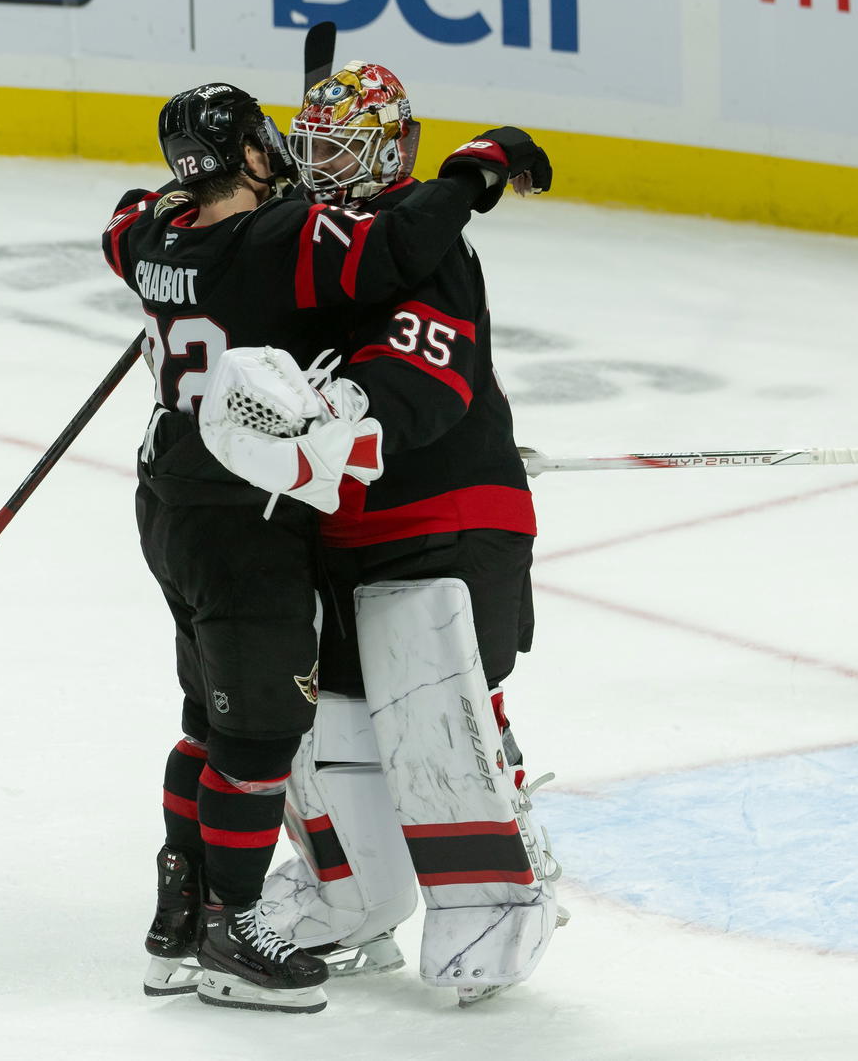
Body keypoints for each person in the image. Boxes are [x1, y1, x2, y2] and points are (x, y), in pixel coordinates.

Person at [100, 80, 553, 1014]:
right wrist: (480, 168)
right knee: (309, 730)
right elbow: (365, 248)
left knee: (432, 716)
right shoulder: (297, 234)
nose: (325, 160)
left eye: (347, 145)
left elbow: (425, 363)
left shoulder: (193, 231)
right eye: (308, 142)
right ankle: (336, 897)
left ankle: (487, 905)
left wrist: (353, 420)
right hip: (302, 527)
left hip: (436, 521)